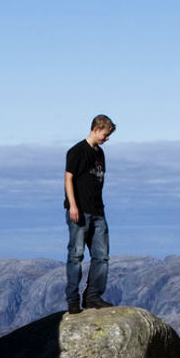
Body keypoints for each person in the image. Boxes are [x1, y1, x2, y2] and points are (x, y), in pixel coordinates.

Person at [64, 114, 115, 310]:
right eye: (105, 134)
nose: (107, 138)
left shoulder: (100, 154)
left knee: (101, 256)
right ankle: (73, 299)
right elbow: (69, 179)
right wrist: (73, 205)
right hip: (80, 211)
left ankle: (93, 296)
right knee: (76, 255)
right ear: (95, 129)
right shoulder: (77, 151)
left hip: (98, 211)